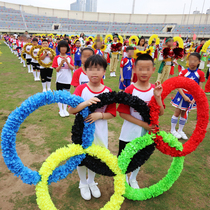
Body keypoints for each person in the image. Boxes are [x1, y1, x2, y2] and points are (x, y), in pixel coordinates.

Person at [69, 55, 116, 201]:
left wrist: (99, 116)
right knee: (81, 157)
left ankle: (91, 181)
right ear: (85, 70)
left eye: (98, 69)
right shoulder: (81, 89)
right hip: (82, 131)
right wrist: (86, 103)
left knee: (96, 157)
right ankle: (83, 183)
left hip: (100, 131)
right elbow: (71, 109)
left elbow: (112, 113)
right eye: (91, 69)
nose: (94, 72)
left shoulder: (108, 90)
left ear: (104, 71)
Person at [117, 54, 164, 189]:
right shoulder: (130, 89)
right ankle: (124, 178)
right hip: (129, 133)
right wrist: (144, 125)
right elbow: (122, 113)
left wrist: (158, 97)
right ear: (135, 69)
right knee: (125, 157)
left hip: (146, 134)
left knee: (140, 157)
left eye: (147, 69)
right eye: (141, 68)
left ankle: (133, 178)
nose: (144, 72)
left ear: (153, 70)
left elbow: (161, 112)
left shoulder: (155, 89)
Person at [170, 52, 205, 139]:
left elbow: (200, 88)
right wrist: (184, 96)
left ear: (199, 62)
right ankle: (172, 130)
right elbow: (178, 86)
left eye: (195, 60)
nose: (192, 62)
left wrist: (195, 97)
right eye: (190, 60)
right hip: (182, 95)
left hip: (192, 97)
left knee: (184, 113)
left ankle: (180, 130)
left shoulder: (201, 74)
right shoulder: (183, 72)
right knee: (177, 112)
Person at [52, 40, 74, 117]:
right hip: (59, 80)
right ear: (59, 48)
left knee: (66, 95)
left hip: (68, 80)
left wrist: (67, 62)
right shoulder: (56, 58)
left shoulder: (69, 58)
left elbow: (72, 68)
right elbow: (57, 70)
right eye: (61, 47)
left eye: (65, 47)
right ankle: (60, 110)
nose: (63, 49)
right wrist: (61, 63)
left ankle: (65, 109)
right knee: (59, 95)